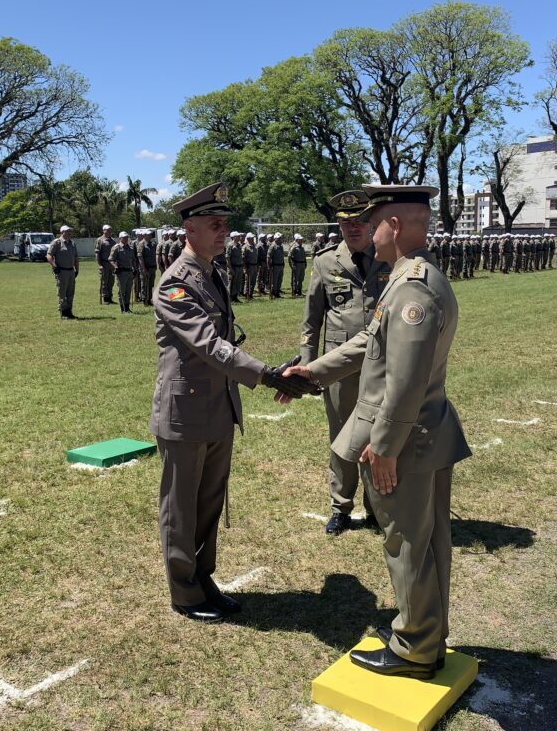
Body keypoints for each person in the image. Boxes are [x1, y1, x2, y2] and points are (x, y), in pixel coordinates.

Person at [284, 184, 471, 680]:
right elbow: (371, 338)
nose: (368, 231)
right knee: (427, 543)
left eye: (376, 223)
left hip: (406, 439)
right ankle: (427, 634)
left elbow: (406, 380)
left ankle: (413, 646)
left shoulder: (411, 285)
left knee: (407, 542)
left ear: (396, 226)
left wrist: (384, 447)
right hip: (427, 431)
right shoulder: (415, 275)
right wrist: (315, 371)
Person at [151, 181, 316, 623]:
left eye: (226, 223)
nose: (225, 231)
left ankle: (203, 580)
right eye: (215, 223)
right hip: (185, 414)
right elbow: (208, 344)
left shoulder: (211, 273)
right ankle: (184, 593)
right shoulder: (175, 284)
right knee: (181, 509)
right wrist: (264, 374)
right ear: (190, 227)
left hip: (218, 408)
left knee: (209, 505)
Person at [300, 190, 389, 536]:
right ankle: (341, 507)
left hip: (381, 364)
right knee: (341, 438)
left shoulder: (388, 257)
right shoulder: (324, 261)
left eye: (360, 221)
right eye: (346, 222)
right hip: (339, 368)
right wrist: (309, 367)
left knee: (379, 435)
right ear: (338, 223)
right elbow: (311, 321)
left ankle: (377, 509)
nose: (353, 228)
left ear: (371, 223)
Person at [47, 225, 79, 319]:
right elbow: (49, 255)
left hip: (71, 271)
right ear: (62, 232)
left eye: (70, 231)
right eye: (67, 231)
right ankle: (63, 312)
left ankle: (69, 312)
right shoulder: (57, 243)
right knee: (62, 292)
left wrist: (77, 269)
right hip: (62, 271)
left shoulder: (72, 243)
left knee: (70, 292)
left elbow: (76, 258)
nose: (70, 233)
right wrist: (54, 266)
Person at [111, 231, 135, 313]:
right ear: (120, 238)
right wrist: (115, 267)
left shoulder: (131, 248)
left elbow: (133, 260)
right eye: (124, 237)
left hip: (129, 271)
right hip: (121, 272)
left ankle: (127, 308)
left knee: (128, 290)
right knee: (122, 291)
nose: (126, 239)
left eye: (127, 237)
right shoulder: (116, 247)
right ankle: (123, 308)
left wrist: (135, 269)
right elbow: (111, 259)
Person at [95, 224, 115, 304]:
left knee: (111, 281)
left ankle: (110, 297)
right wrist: (99, 264)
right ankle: (105, 298)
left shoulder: (113, 241)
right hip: (104, 263)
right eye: (108, 230)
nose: (109, 231)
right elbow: (97, 253)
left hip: (111, 264)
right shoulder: (100, 240)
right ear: (104, 231)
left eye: (110, 230)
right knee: (104, 281)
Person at [139, 229, 157, 305]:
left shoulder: (153, 244)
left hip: (152, 267)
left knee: (151, 284)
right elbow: (140, 257)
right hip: (145, 267)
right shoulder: (141, 244)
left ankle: (149, 298)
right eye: (149, 235)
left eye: (150, 235)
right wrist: (143, 268)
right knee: (144, 284)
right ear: (145, 235)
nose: (150, 236)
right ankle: (144, 299)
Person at [228, 232, 244, 303]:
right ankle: (230, 298)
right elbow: (227, 258)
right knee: (232, 283)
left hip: (239, 266)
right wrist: (231, 269)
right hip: (233, 267)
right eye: (238, 236)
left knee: (238, 282)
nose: (239, 238)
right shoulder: (230, 245)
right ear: (234, 237)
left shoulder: (239, 245)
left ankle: (235, 297)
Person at [268, 233, 285, 299]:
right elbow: (269, 257)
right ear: (276, 239)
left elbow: (282, 256)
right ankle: (274, 292)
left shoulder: (281, 246)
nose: (281, 239)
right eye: (279, 238)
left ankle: (277, 292)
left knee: (279, 280)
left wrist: (283, 263)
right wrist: (269, 267)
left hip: (280, 265)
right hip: (275, 266)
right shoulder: (272, 246)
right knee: (274, 280)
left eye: (281, 238)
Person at [242, 232, 258, 300]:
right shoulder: (245, 247)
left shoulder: (254, 246)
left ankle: (251, 294)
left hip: (254, 266)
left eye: (253, 238)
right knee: (248, 281)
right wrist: (245, 267)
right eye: (251, 238)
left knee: (253, 281)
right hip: (249, 266)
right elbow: (243, 258)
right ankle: (246, 294)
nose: (252, 239)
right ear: (248, 239)